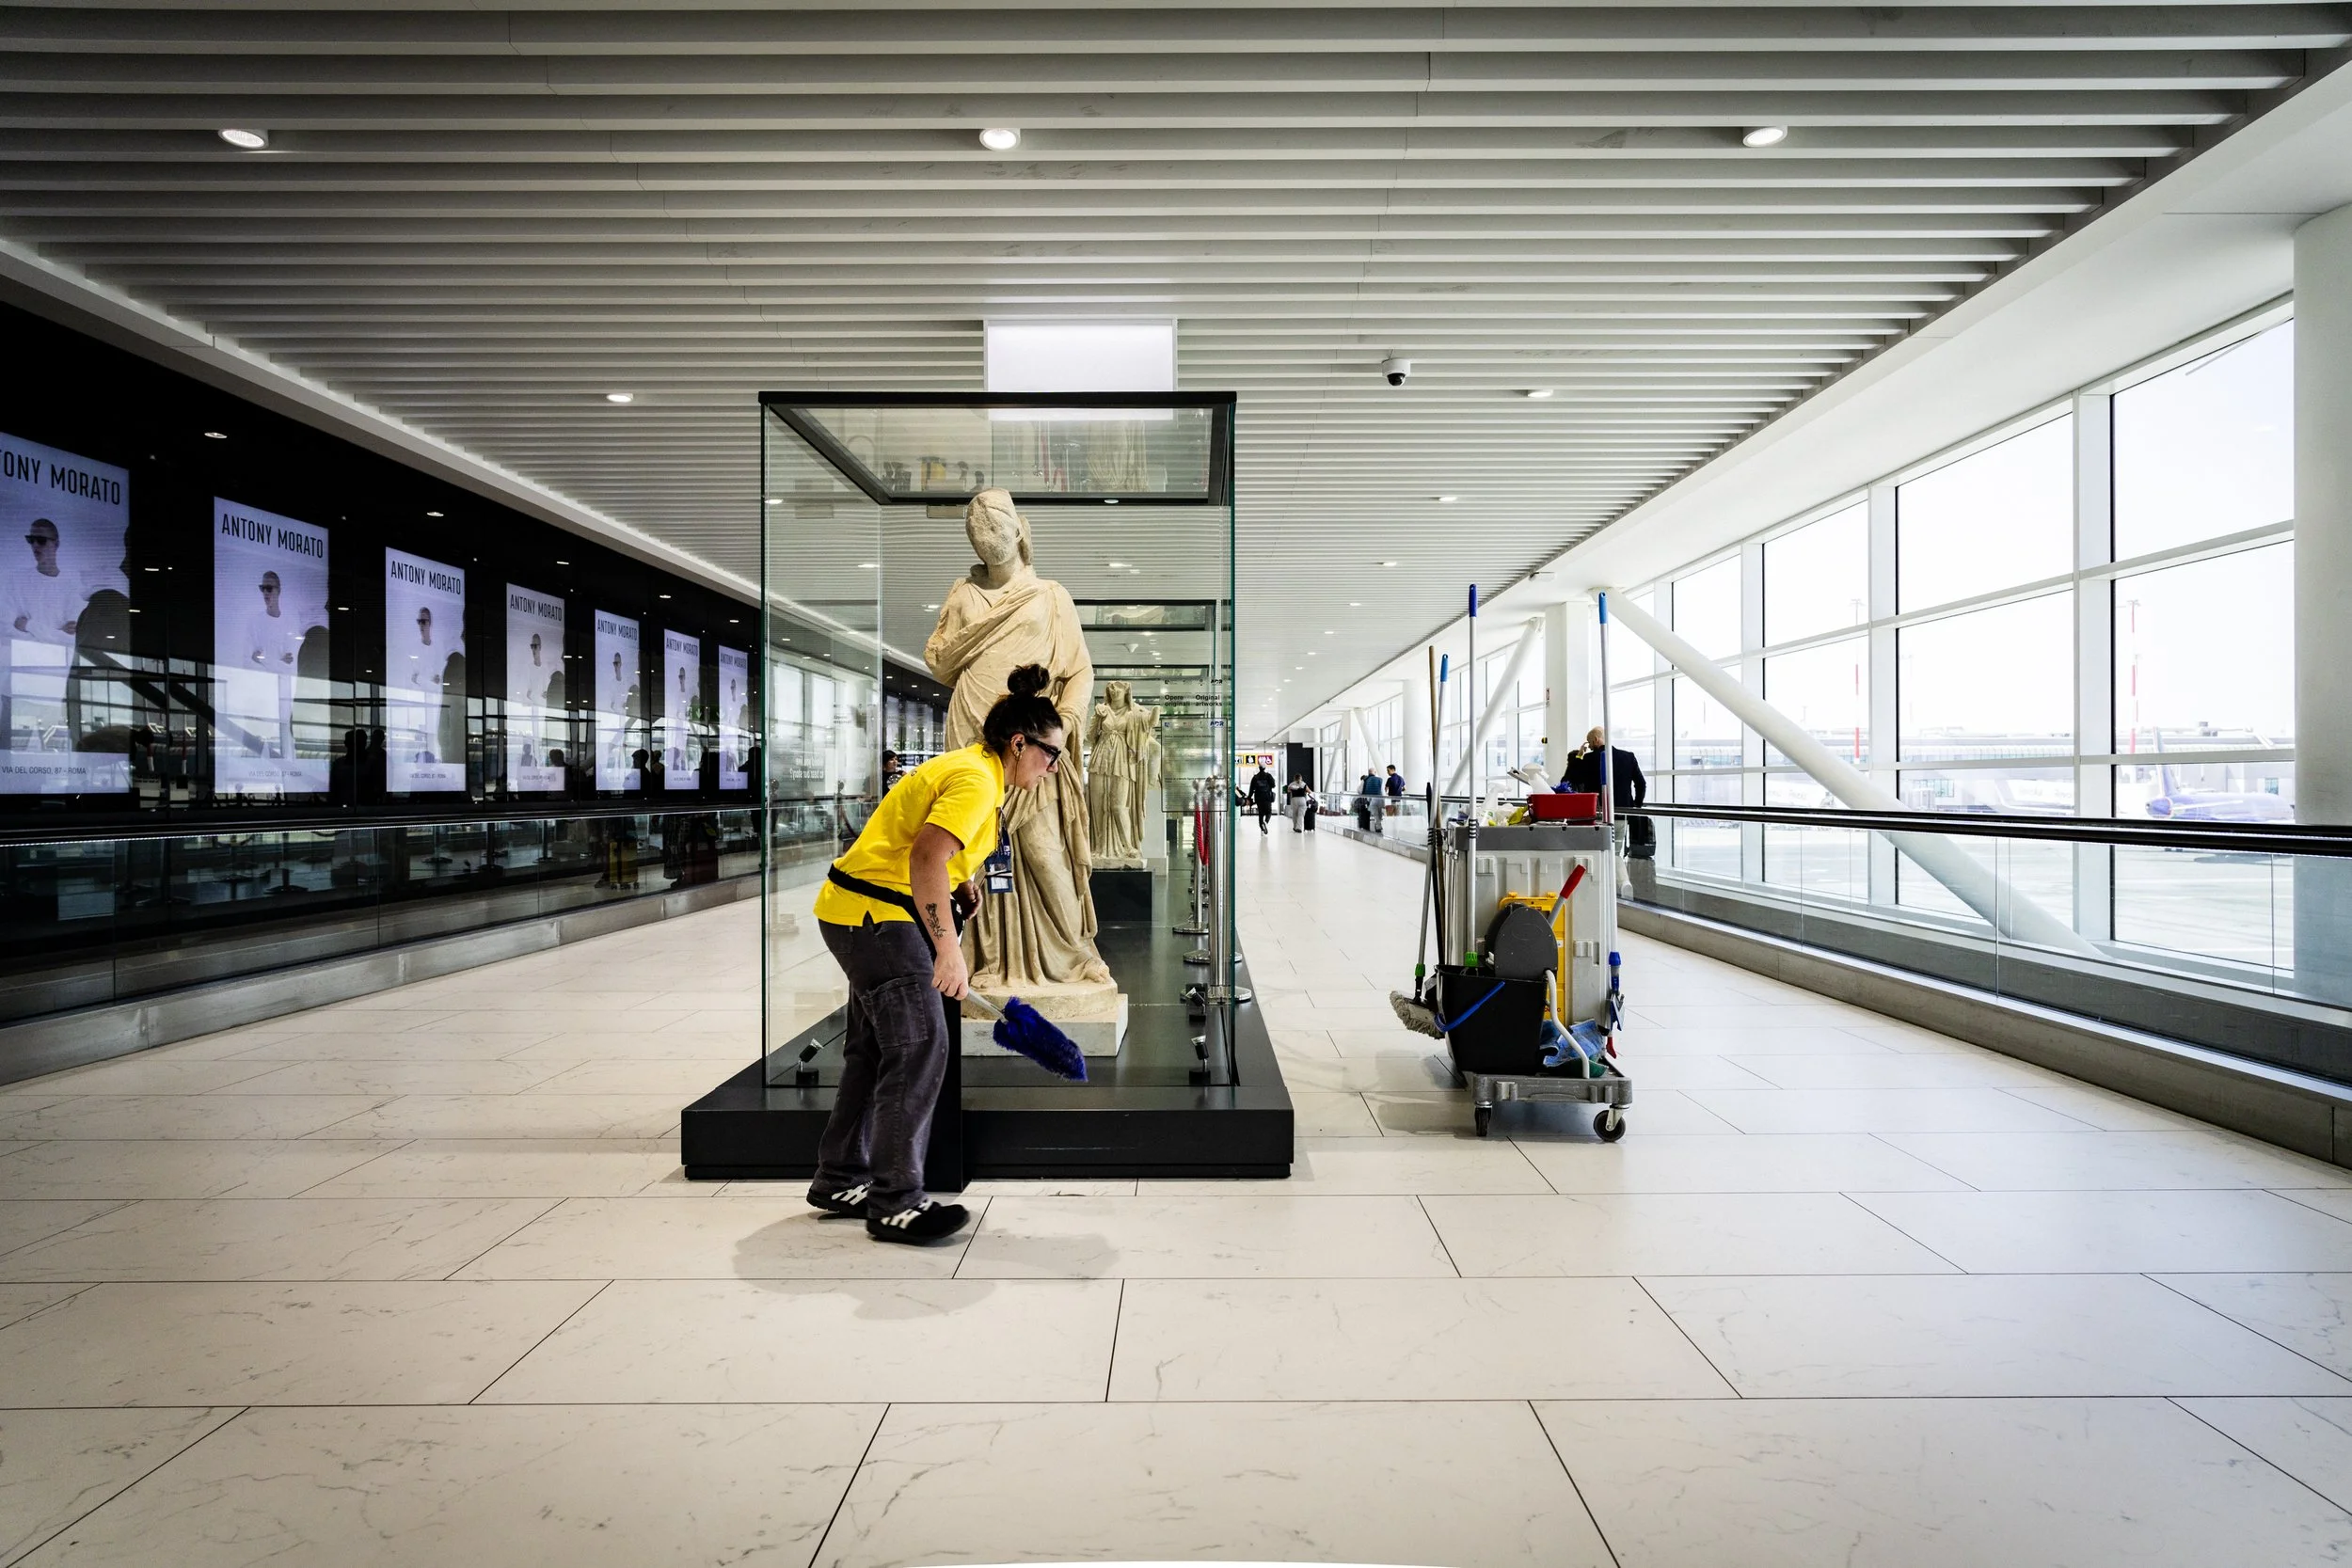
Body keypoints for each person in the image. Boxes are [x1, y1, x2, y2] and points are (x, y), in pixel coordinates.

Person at [806, 662, 1067, 1243]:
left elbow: (934, 851)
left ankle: (838, 1176)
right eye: (1051, 755)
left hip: (858, 912)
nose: (1053, 769)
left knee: (874, 1051)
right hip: (877, 918)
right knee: (921, 1043)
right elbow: (925, 857)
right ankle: (896, 1202)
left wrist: (961, 880)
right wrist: (947, 951)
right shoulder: (977, 780)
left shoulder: (976, 771)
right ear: (1019, 742)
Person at [1561, 726, 1653, 858]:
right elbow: (1641, 784)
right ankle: (1615, 877)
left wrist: (1580, 754)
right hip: (1621, 814)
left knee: (1596, 854)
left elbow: (1571, 778)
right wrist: (1635, 807)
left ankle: (1602, 878)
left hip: (1596, 814)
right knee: (1614, 854)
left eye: (1589, 742)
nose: (1590, 747)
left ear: (1596, 740)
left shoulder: (1588, 759)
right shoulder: (1628, 757)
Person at [1248, 763, 1277, 834]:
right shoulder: (1268, 776)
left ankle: (1262, 829)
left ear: (1259, 768)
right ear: (1264, 768)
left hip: (1258, 797)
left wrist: (1249, 797)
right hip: (1267, 797)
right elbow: (1273, 785)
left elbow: (1251, 789)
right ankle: (1265, 823)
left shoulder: (1255, 777)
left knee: (1261, 814)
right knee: (1269, 812)